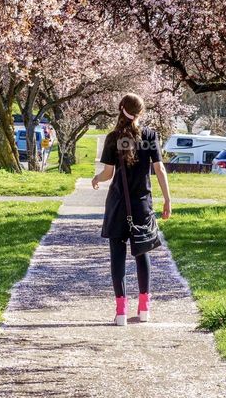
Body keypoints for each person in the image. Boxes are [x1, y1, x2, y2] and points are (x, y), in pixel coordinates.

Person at [91, 93, 172, 325]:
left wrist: (96, 178)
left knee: (117, 257)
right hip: (142, 205)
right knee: (142, 253)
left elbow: (108, 174)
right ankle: (144, 308)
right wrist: (167, 199)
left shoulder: (112, 138)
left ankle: (121, 312)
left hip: (117, 205)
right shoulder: (149, 136)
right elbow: (159, 170)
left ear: (120, 109)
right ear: (140, 112)